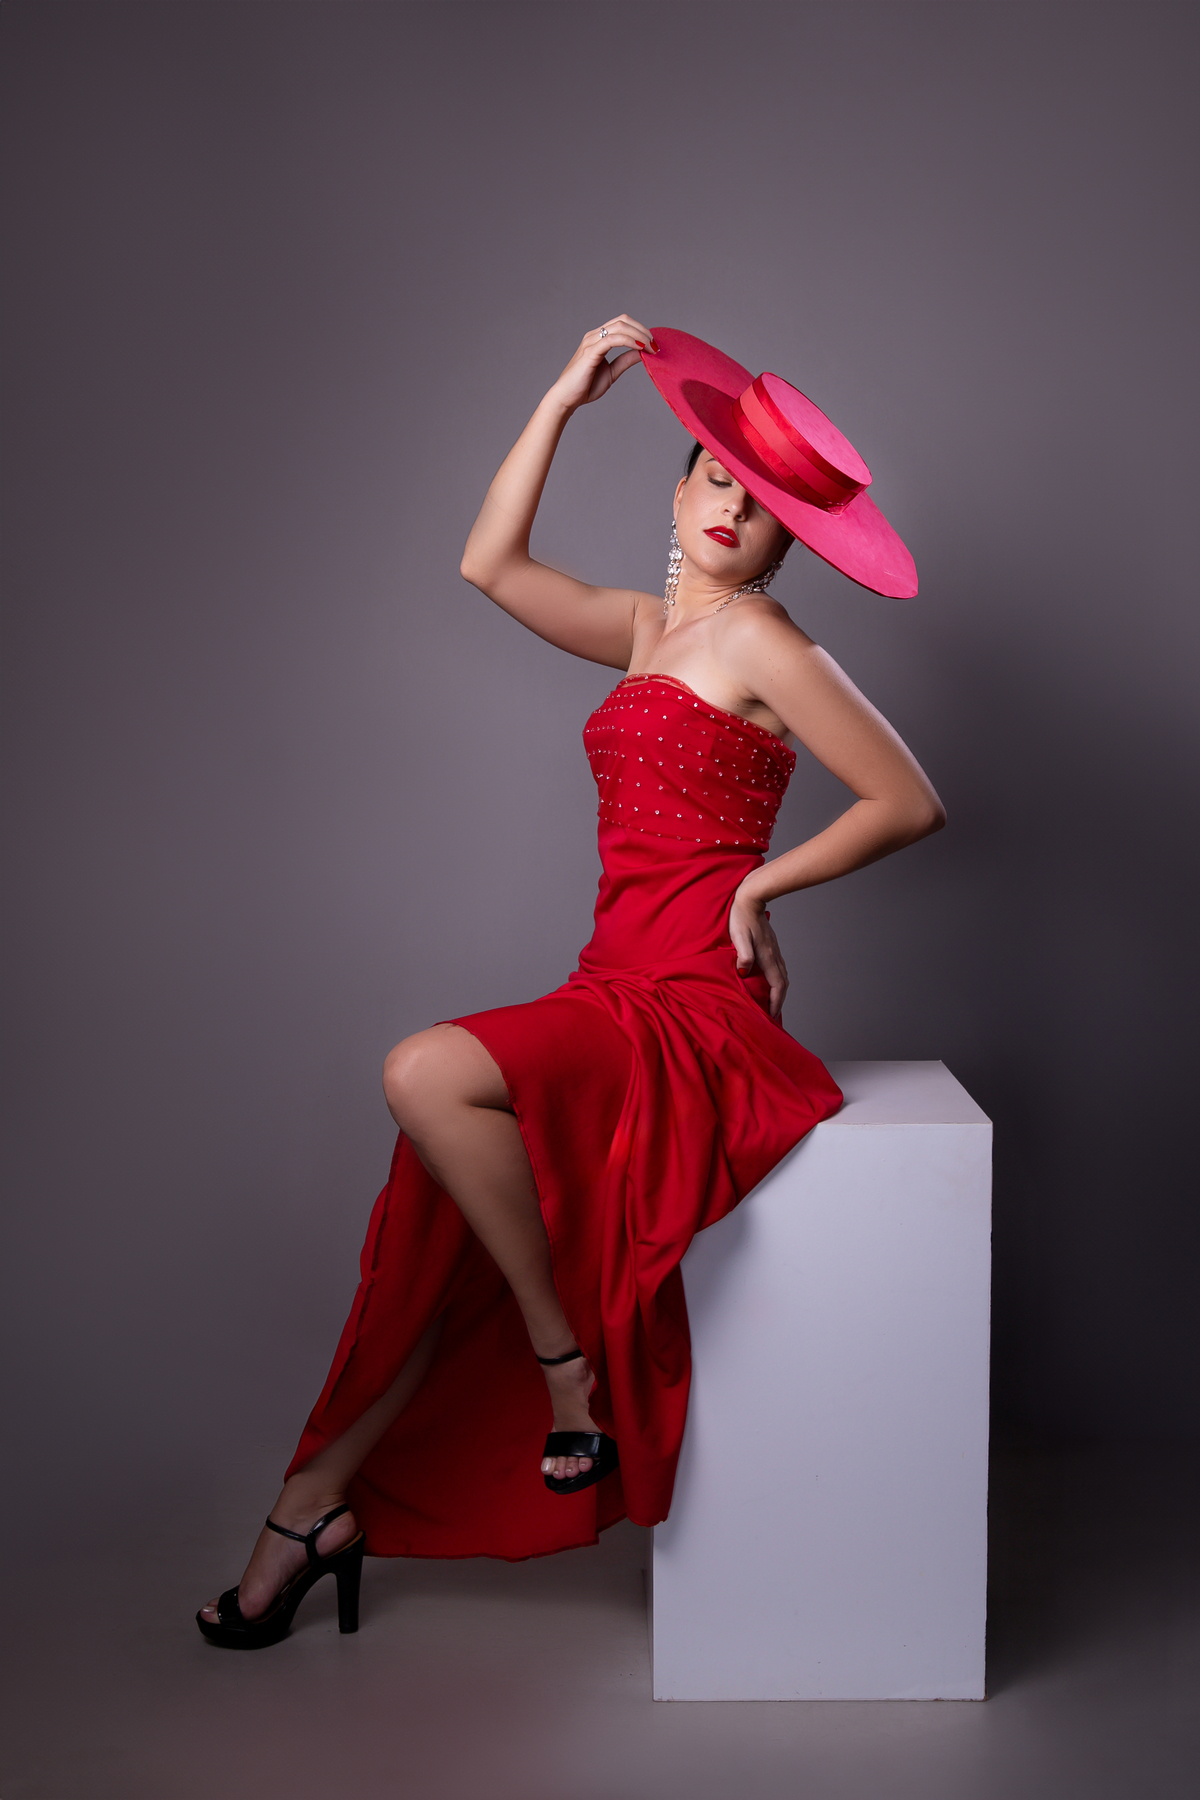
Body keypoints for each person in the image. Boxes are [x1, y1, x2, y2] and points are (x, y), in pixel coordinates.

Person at [198, 315, 945, 1648]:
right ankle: (311, 1509)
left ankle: (565, 1369)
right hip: (606, 985)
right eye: (716, 475)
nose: (732, 509)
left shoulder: (767, 645)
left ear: (788, 541)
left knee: (425, 1072)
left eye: (763, 504)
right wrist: (560, 399)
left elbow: (910, 800)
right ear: (680, 484)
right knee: (440, 1225)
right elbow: (487, 563)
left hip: (693, 1010)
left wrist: (759, 890)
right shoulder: (648, 630)